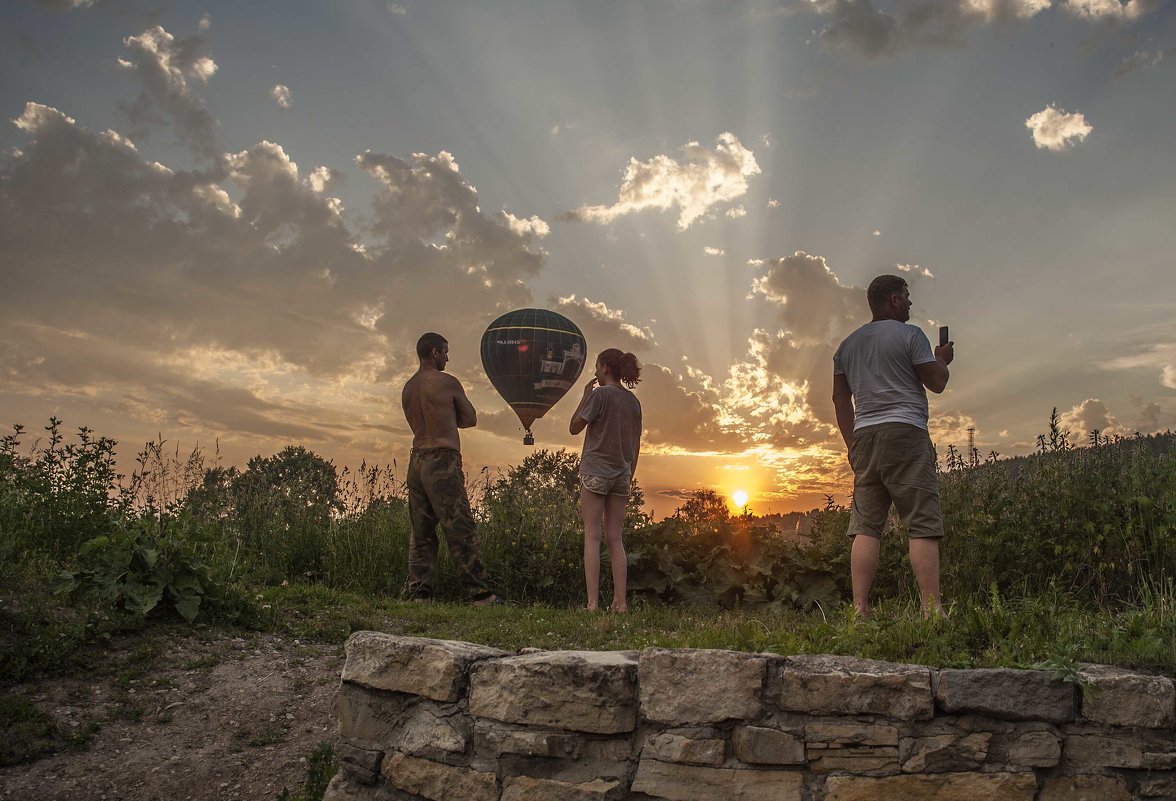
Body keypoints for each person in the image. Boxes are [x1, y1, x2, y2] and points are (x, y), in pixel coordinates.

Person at [832, 275, 955, 618]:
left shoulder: (846, 347)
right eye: (907, 296)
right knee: (922, 522)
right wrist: (941, 357)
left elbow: (840, 401)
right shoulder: (910, 336)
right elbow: (937, 382)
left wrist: (851, 446)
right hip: (905, 433)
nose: (911, 303)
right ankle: (932, 611)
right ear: (894, 300)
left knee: (866, 526)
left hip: (866, 438)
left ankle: (859, 610)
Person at [401, 332, 500, 606]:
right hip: (443, 460)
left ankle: (419, 593)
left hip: (416, 460)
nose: (447, 357)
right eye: (445, 352)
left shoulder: (408, 388)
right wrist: (447, 415)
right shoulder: (448, 383)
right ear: (434, 352)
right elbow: (470, 419)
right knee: (460, 526)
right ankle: (479, 594)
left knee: (421, 530)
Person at [569, 349, 643, 613]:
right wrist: (628, 473)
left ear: (605, 369)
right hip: (622, 474)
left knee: (592, 535)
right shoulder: (633, 402)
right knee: (615, 538)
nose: (596, 372)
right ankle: (620, 603)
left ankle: (592, 604)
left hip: (595, 472)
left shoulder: (599, 395)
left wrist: (584, 397)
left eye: (597, 366)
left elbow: (574, 426)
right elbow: (635, 443)